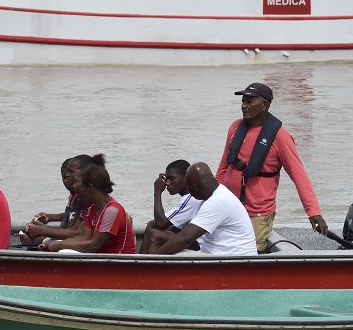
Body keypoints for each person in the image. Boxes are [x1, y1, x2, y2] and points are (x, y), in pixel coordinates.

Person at [216, 82, 328, 253]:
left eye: (250, 101)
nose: (244, 106)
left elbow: (300, 177)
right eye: (243, 101)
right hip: (229, 208)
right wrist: (213, 200)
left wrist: (313, 212)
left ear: (265, 105)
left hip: (257, 214)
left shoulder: (281, 139)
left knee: (247, 256)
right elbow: (223, 168)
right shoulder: (235, 128)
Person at [153, 163, 257, 255]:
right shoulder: (219, 192)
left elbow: (186, 237)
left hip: (233, 261)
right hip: (217, 255)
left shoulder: (217, 202)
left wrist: (152, 260)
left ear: (193, 186)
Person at [40, 161, 135, 254]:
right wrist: (54, 244)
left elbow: (94, 245)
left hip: (119, 265)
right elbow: (83, 237)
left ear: (90, 187)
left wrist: (60, 245)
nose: (74, 186)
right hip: (102, 261)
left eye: (77, 183)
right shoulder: (93, 208)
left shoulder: (112, 210)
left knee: (64, 252)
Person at [21, 154, 94, 243]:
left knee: (38, 241)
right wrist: (45, 223)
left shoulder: (88, 202)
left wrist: (42, 231)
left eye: (71, 172)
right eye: (64, 175)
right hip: (71, 239)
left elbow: (75, 233)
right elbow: (69, 226)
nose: (67, 177)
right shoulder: (77, 198)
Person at [139, 159, 203, 254]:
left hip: (199, 243)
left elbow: (161, 223)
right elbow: (158, 222)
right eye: (166, 179)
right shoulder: (188, 197)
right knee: (151, 224)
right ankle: (140, 262)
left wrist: (157, 192)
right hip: (189, 236)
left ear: (186, 179)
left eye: (171, 179)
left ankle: (149, 267)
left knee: (155, 235)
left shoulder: (191, 199)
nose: (167, 183)